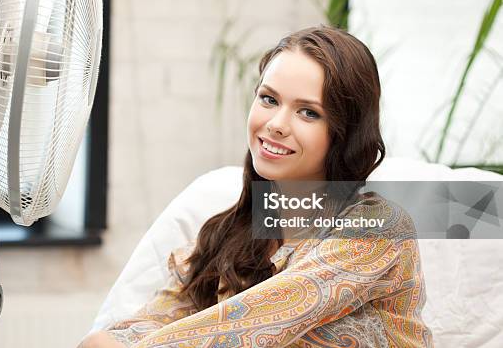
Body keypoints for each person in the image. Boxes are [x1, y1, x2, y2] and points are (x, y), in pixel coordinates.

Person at [79, 26, 433, 347]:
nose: (276, 124)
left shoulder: (378, 228)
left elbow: (258, 322)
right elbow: (158, 319)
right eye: (269, 99)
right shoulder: (229, 235)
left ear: (346, 133)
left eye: (308, 112)